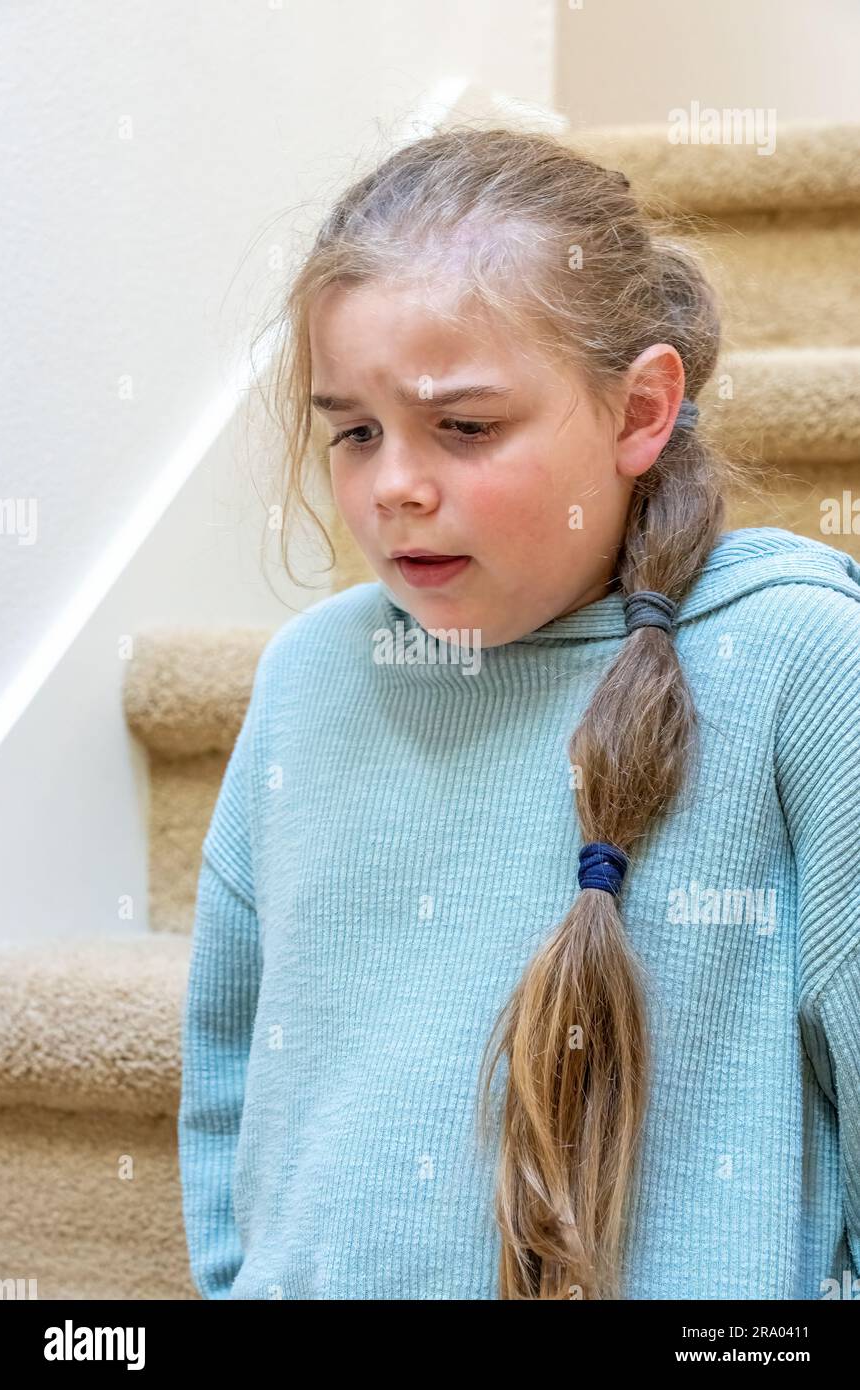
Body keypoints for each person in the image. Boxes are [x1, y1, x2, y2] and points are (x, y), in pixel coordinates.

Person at [177, 125, 860, 1300]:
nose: (393, 483)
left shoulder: (795, 662)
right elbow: (233, 1072)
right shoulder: (306, 681)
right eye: (352, 431)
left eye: (465, 426)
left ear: (639, 410)